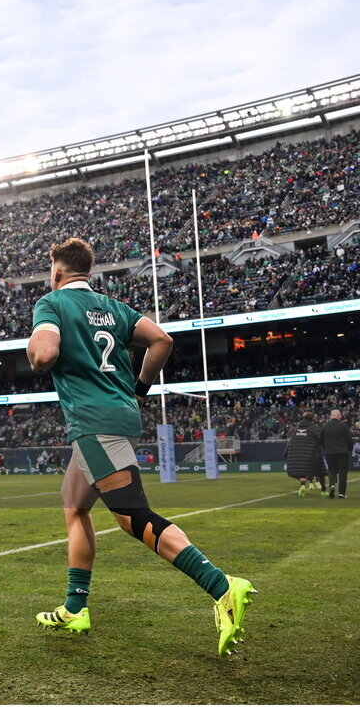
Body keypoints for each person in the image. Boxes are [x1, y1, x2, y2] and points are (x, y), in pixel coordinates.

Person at [26, 237, 255, 656]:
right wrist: (140, 390)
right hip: (119, 417)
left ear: (56, 272)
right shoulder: (115, 308)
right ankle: (76, 607)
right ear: (88, 273)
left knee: (132, 517)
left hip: (94, 423)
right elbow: (162, 341)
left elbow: (44, 355)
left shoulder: (52, 302)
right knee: (74, 506)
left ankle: (222, 586)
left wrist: (36, 353)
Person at [286, 412, 325, 497]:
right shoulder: (315, 428)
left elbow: (290, 442)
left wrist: (286, 453)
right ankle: (323, 490)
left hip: (296, 455)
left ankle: (303, 485)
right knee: (320, 471)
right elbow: (322, 439)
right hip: (311, 454)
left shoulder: (295, 428)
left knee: (301, 471)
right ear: (312, 419)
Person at [320, 409, 352, 499]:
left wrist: (325, 448)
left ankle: (332, 485)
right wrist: (350, 449)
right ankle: (341, 494)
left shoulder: (325, 427)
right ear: (339, 416)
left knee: (332, 470)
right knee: (343, 472)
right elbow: (349, 440)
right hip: (343, 452)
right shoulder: (343, 426)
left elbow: (321, 440)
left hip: (330, 452)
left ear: (331, 416)